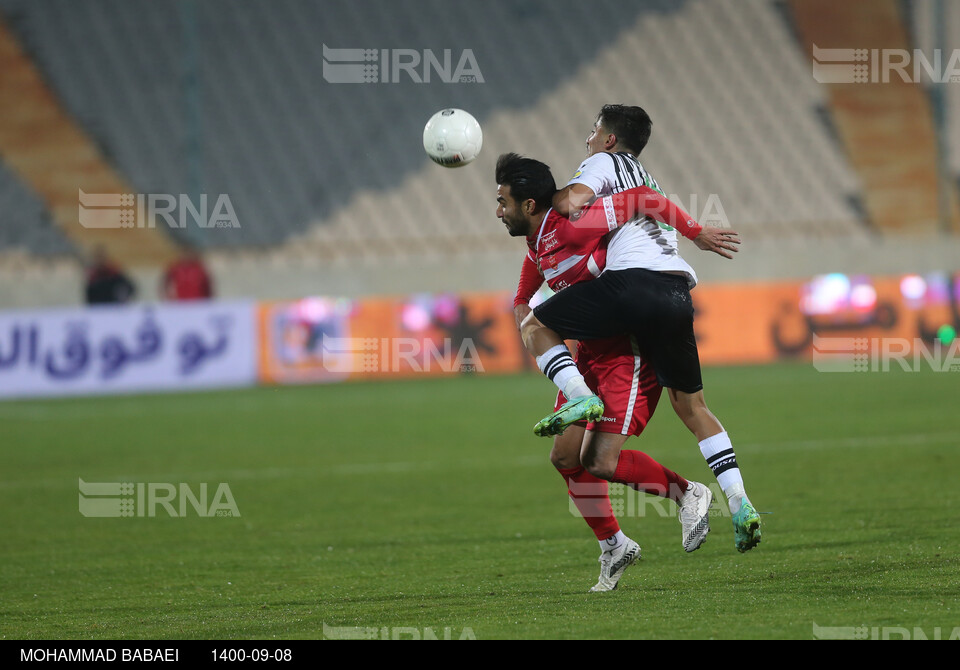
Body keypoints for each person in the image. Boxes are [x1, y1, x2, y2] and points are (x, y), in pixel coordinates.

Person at [497, 142, 760, 554]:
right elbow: (524, 291)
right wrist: (521, 314)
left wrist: (696, 233)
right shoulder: (537, 243)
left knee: (600, 461)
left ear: (528, 204)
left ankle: (688, 493)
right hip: (586, 354)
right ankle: (614, 545)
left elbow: (642, 199)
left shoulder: (573, 224)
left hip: (624, 352)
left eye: (502, 202)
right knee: (565, 457)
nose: (498, 211)